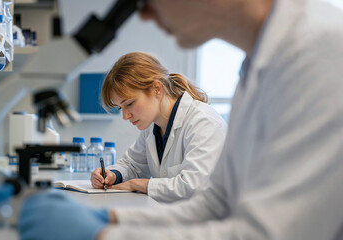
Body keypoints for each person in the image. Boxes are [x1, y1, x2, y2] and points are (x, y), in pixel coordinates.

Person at [19, 0, 343, 239]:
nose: (144, 14)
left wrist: (105, 235)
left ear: (155, 89)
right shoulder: (257, 66)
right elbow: (215, 206)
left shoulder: (319, 50)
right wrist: (113, 218)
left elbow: (269, 233)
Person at [89, 52, 227, 203]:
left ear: (156, 88)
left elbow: (194, 186)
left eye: (129, 104)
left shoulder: (203, 122)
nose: (125, 116)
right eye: (120, 108)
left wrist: (139, 184)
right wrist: (113, 174)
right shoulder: (153, 125)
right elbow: (133, 164)